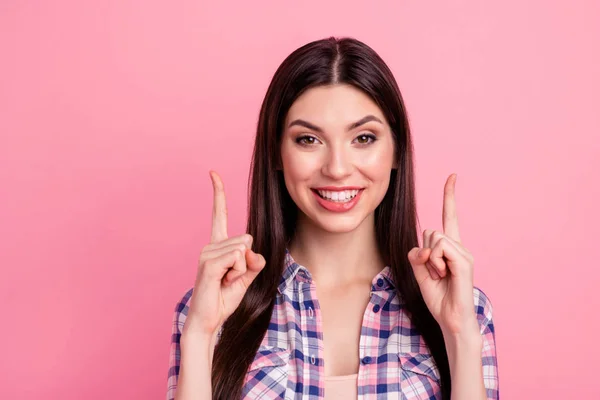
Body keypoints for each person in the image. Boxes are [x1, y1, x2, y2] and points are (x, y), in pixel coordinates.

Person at [166, 37, 499, 400]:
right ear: (276, 153)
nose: (337, 169)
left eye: (364, 138)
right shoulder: (211, 307)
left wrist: (461, 334)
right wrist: (200, 333)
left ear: (396, 151)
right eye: (308, 139)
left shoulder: (463, 306)